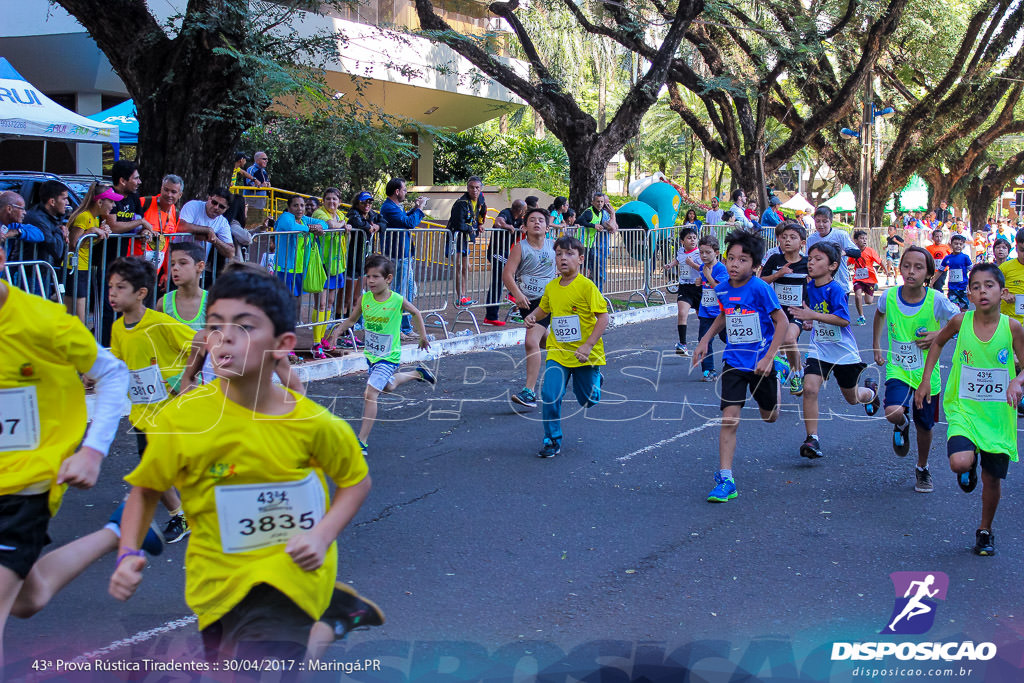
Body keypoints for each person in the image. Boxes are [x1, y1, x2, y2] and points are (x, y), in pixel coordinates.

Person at [108, 266, 372, 665]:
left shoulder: (314, 423)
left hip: (293, 580)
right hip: (216, 588)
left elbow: (356, 482)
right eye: (215, 325)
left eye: (244, 326)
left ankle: (324, 620)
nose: (225, 336)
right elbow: (146, 490)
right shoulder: (180, 419)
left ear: (283, 344)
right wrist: (127, 554)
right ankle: (331, 622)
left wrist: (321, 536)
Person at [0, 243, 136, 672]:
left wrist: (93, 451)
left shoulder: (43, 322)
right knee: (29, 598)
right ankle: (118, 531)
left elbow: (113, 373)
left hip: (24, 487)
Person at [914, 263, 1024, 555]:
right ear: (969, 295)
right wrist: (925, 380)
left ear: (1003, 292)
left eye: (989, 285)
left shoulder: (1012, 327)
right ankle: (969, 462)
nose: (982, 291)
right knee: (959, 462)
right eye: (975, 287)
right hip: (964, 409)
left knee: (992, 479)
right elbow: (937, 343)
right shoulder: (961, 322)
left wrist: (1017, 382)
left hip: (998, 415)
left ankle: (985, 529)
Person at [692, 230, 787, 502]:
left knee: (770, 416)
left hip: (761, 363)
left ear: (754, 265)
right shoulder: (721, 287)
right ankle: (726, 478)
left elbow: (781, 322)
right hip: (734, 361)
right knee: (729, 419)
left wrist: (769, 357)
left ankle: (778, 375)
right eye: (731, 258)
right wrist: (705, 340)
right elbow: (724, 314)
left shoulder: (760, 288)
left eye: (742, 260)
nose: (734, 264)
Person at [108, 257, 198, 542]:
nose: (112, 293)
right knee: (154, 467)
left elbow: (200, 343)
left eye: (121, 288)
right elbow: (120, 360)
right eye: (110, 287)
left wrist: (189, 378)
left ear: (141, 293)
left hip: (172, 412)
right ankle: (180, 517)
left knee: (167, 468)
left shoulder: (160, 324)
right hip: (142, 416)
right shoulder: (118, 329)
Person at [324, 255, 436, 455]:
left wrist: (422, 337)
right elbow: (351, 319)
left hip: (389, 357)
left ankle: (362, 442)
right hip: (372, 356)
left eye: (376, 276)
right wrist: (337, 332)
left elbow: (416, 313)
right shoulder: (365, 298)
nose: (371, 281)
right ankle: (417, 374)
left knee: (370, 394)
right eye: (368, 276)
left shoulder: (396, 300)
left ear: (389, 278)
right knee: (389, 386)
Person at [871, 246, 959, 493]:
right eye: (906, 266)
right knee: (892, 411)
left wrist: (939, 334)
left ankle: (922, 467)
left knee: (925, 427)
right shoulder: (888, 297)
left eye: (918, 267)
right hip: (898, 369)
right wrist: (876, 345)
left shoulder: (937, 300)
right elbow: (879, 315)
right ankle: (901, 424)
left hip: (927, 375)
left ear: (929, 273)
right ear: (900, 269)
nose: (911, 272)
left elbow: (961, 322)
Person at [790, 242, 880, 459]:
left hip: (843, 352)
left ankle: (870, 392)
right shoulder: (809, 287)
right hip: (819, 348)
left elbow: (842, 319)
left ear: (832, 266)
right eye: (810, 258)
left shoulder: (837, 289)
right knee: (810, 389)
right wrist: (810, 322)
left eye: (818, 259)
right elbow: (813, 314)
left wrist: (813, 316)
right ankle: (812, 439)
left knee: (852, 398)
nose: (811, 262)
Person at [525, 235, 608, 458]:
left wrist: (589, 345)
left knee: (588, 400)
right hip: (558, 352)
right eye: (559, 254)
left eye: (569, 254)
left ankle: (596, 379)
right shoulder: (552, 287)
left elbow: (603, 318)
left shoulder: (586, 287)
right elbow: (544, 309)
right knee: (550, 394)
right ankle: (552, 439)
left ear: (580, 259)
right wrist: (533, 317)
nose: (563, 258)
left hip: (584, 354)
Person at [505, 207, 558, 407]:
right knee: (550, 345)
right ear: (524, 226)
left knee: (530, 341)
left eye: (541, 220)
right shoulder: (520, 247)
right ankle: (584, 366)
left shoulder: (554, 247)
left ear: (547, 227)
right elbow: (508, 274)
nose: (537, 223)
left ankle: (529, 391)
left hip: (547, 301)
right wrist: (517, 294)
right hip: (527, 302)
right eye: (532, 220)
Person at [760, 221, 808, 394]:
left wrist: (810, 315)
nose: (787, 241)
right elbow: (761, 281)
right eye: (784, 237)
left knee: (788, 340)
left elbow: (812, 289)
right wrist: (778, 274)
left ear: (802, 242)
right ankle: (791, 367)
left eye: (793, 238)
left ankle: (797, 372)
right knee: (782, 344)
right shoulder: (775, 259)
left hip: (797, 312)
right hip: (777, 312)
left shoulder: (807, 263)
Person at [380, 178, 426, 337]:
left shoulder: (395, 207)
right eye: (405, 189)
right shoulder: (388, 207)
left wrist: (415, 209)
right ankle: (396, 328)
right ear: (397, 191)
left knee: (406, 293)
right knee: (399, 293)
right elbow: (408, 223)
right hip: (396, 256)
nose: (406, 192)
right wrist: (419, 209)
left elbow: (405, 219)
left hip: (404, 255)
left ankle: (406, 327)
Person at [65, 184, 118, 321]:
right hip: (75, 268)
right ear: (100, 202)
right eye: (111, 201)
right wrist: (91, 232)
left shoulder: (95, 218)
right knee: (78, 317)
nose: (113, 205)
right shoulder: (84, 216)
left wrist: (100, 234)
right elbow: (73, 244)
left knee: (77, 315)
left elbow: (88, 243)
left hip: (83, 268)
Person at [311, 188, 351, 358]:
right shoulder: (319, 213)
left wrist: (345, 225)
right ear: (323, 201)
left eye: (334, 199)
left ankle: (323, 339)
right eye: (328, 199)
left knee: (330, 303)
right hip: (322, 263)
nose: (331, 202)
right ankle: (315, 342)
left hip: (337, 264)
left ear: (339, 201)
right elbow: (332, 225)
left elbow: (346, 233)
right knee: (320, 303)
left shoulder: (340, 214)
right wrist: (344, 225)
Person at [344, 191, 381, 347]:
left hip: (363, 263)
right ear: (357, 203)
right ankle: (343, 333)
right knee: (347, 300)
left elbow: (384, 222)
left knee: (356, 299)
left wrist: (377, 226)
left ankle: (349, 333)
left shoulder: (371, 214)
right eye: (364, 202)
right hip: (351, 261)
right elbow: (357, 223)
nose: (367, 205)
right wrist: (369, 227)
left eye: (370, 202)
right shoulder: (353, 214)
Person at [483, 198, 525, 326]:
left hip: (505, 252)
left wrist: (524, 227)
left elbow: (524, 226)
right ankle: (490, 316)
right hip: (496, 252)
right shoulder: (506, 213)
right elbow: (498, 221)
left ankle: (512, 294)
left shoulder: (520, 219)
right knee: (498, 281)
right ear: (521, 210)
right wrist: (508, 226)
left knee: (515, 272)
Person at [447, 177, 487, 308]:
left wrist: (480, 224)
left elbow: (482, 211)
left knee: (466, 267)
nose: (474, 190)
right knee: (459, 267)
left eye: (477, 188)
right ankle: (460, 297)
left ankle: (464, 295)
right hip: (456, 237)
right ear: (467, 188)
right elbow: (458, 224)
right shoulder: (461, 203)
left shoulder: (481, 199)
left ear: (480, 188)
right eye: (471, 187)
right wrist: (471, 228)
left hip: (466, 237)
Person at [662, 226, 701, 356]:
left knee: (702, 317)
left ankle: (705, 340)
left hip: (699, 288)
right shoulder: (681, 251)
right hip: (684, 287)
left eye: (694, 238)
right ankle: (683, 344)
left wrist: (692, 265)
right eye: (689, 238)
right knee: (682, 313)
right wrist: (670, 265)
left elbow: (704, 269)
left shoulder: (699, 253)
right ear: (682, 241)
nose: (692, 240)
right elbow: (678, 260)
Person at [176, 187, 236, 271]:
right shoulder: (193, 206)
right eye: (214, 202)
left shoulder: (222, 222)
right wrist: (207, 230)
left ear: (226, 209)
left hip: (196, 269)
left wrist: (215, 240)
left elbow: (231, 252)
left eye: (221, 206)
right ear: (209, 198)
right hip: (175, 264)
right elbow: (181, 226)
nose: (216, 207)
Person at [695, 234, 729, 381]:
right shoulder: (702, 267)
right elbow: (705, 287)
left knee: (728, 337)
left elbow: (720, 290)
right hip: (706, 311)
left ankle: (740, 357)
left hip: (721, 312)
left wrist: (708, 277)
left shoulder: (722, 269)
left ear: (716, 252)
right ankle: (708, 370)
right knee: (704, 339)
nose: (703, 255)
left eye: (707, 252)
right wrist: (700, 281)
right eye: (701, 252)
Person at [806, 206, 860, 296]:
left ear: (831, 222)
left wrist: (844, 252)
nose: (821, 225)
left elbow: (857, 253)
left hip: (840, 284)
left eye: (824, 221)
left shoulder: (840, 235)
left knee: (839, 310)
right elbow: (807, 258)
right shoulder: (811, 239)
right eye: (817, 221)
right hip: (819, 285)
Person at [157, 241, 208, 332]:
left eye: (183, 263)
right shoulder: (163, 303)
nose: (175, 268)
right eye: (172, 264)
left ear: (200, 266)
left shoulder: (211, 303)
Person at [22, 179, 68, 269]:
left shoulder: (52, 216)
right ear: (52, 202)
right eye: (64, 199)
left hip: (42, 272)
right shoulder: (37, 219)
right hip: (31, 274)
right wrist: (60, 231)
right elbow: (56, 251)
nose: (67, 203)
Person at [578, 193, 617, 292]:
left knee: (595, 273)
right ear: (593, 202)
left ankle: (594, 294)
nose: (601, 204)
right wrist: (593, 226)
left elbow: (614, 227)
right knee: (583, 271)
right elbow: (579, 221)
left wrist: (612, 214)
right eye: (598, 202)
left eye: (603, 202)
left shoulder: (601, 213)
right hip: (584, 246)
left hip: (592, 246)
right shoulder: (589, 212)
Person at [850, 229, 883, 325]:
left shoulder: (870, 251)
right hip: (858, 279)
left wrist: (887, 271)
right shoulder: (854, 252)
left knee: (869, 301)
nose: (864, 240)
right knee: (857, 295)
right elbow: (848, 262)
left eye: (865, 239)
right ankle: (861, 316)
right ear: (856, 240)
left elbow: (880, 262)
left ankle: (873, 287)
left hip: (869, 279)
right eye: (861, 238)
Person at [939, 234, 972, 312]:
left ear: (963, 245)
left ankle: (963, 323)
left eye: (960, 244)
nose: (958, 246)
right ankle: (954, 323)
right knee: (952, 309)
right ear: (951, 245)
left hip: (963, 288)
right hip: (952, 289)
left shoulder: (965, 258)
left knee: (964, 309)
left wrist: (970, 285)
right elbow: (940, 271)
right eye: (956, 243)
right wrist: (932, 282)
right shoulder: (947, 258)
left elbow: (972, 271)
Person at [244, 150, 271, 220]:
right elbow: (249, 184)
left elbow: (267, 183)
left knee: (259, 221)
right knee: (251, 221)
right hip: (251, 202)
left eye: (267, 159)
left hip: (261, 203)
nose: (266, 161)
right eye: (264, 159)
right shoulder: (251, 169)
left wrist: (268, 185)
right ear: (257, 160)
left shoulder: (264, 171)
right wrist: (261, 186)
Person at [925, 229, 951, 293]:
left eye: (940, 236)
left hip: (942, 271)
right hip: (932, 271)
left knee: (939, 287)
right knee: (930, 286)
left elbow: (951, 257)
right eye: (937, 236)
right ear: (933, 238)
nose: (939, 238)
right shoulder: (929, 248)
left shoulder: (946, 247)